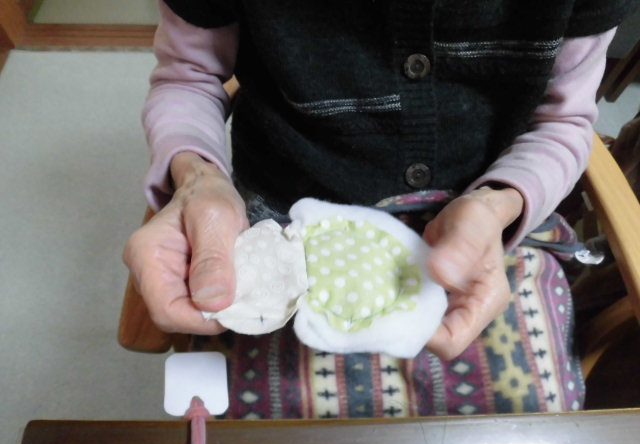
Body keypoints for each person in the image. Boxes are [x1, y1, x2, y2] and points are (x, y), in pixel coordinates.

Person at [124, 0, 637, 417]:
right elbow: (188, 77)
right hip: (277, 214)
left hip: (489, 225)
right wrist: (197, 180)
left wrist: (499, 203)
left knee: (531, 427)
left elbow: (563, 121)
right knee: (250, 440)